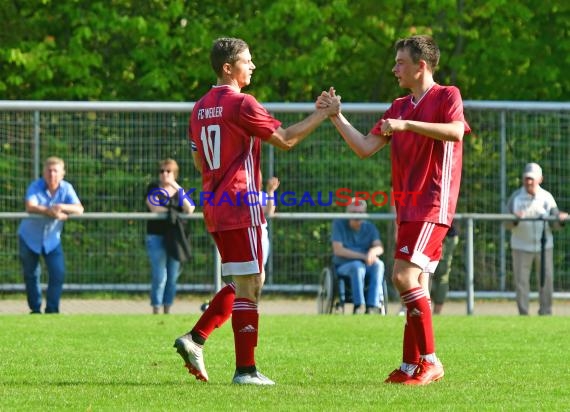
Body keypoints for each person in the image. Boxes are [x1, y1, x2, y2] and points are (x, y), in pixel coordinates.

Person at [173, 37, 339, 385]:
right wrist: (323, 113)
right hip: (241, 205)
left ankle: (197, 338)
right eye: (247, 61)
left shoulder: (199, 107)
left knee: (244, 279)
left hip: (215, 206)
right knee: (251, 285)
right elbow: (286, 138)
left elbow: (196, 157)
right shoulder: (241, 103)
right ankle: (245, 370)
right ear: (227, 68)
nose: (252, 66)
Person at [327, 35, 471, 385]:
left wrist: (406, 125)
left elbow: (455, 133)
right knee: (415, 281)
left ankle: (431, 361)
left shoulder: (446, 95)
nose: (394, 68)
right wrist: (336, 116)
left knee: (402, 277)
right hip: (407, 208)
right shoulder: (398, 106)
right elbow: (363, 146)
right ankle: (410, 366)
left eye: (400, 62)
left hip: (432, 204)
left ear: (421, 66)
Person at [18, 156, 84, 314]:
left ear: (62, 173)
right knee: (31, 275)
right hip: (29, 238)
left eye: (55, 171)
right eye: (49, 170)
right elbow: (30, 206)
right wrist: (50, 212)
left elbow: (79, 209)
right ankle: (35, 309)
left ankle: (52, 309)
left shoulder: (66, 188)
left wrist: (60, 206)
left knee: (58, 273)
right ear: (43, 172)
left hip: (52, 240)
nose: (52, 174)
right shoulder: (36, 186)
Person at [505, 162, 568, 316]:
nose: (529, 182)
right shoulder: (515, 197)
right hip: (520, 246)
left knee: (547, 281)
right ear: (522, 179)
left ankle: (546, 312)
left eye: (532, 179)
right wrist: (514, 219)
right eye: (527, 178)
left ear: (540, 179)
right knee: (521, 283)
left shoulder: (547, 197)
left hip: (544, 246)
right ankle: (523, 314)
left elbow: (555, 220)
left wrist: (560, 218)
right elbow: (505, 222)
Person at [145, 159, 195, 314]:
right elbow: (154, 207)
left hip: (175, 238)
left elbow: (190, 208)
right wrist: (173, 212)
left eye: (168, 171)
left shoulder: (179, 190)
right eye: (162, 171)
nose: (164, 174)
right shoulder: (153, 188)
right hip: (157, 236)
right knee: (160, 276)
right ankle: (156, 307)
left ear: (175, 174)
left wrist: (175, 186)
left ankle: (167, 308)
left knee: (173, 276)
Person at [332, 198, 386, 315]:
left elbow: (379, 247)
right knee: (357, 266)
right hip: (344, 265)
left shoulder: (370, 227)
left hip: (366, 263)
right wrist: (363, 256)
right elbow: (338, 250)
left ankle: (372, 305)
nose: (357, 216)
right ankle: (359, 305)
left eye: (360, 213)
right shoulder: (339, 224)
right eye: (354, 213)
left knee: (379, 264)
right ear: (347, 213)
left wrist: (373, 252)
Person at [430, 223, 459, 315]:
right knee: (424, 273)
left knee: (441, 273)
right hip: (431, 234)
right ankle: (424, 311)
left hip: (444, 235)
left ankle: (436, 314)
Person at [261, 176, 280, 267]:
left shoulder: (261, 196)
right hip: (241, 240)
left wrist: (270, 192)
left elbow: (270, 212)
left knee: (258, 275)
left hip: (259, 240)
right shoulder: (237, 195)